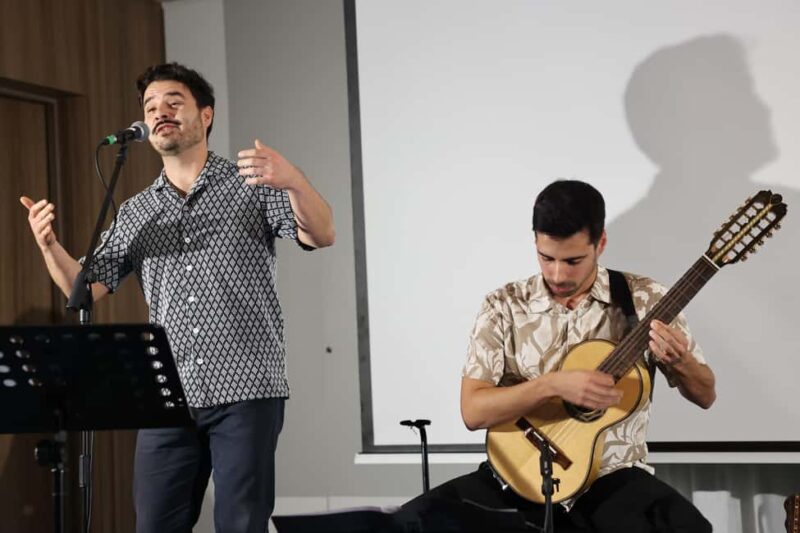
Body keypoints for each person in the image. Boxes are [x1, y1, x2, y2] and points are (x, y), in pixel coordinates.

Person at [19, 62, 335, 533]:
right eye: (150, 108)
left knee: (240, 525)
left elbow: (322, 232)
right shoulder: (137, 210)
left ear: (205, 116)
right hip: (166, 397)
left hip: (247, 391)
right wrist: (48, 246)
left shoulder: (250, 185)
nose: (160, 113)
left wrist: (293, 181)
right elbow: (84, 289)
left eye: (173, 103)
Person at [397, 180, 715, 533]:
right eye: (546, 258)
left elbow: (705, 395)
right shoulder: (503, 306)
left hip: (614, 480)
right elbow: (473, 412)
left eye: (573, 261)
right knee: (412, 523)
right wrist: (551, 386)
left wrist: (680, 362)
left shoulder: (646, 299)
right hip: (517, 474)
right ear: (535, 240)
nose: (558, 274)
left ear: (601, 244)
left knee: (687, 527)